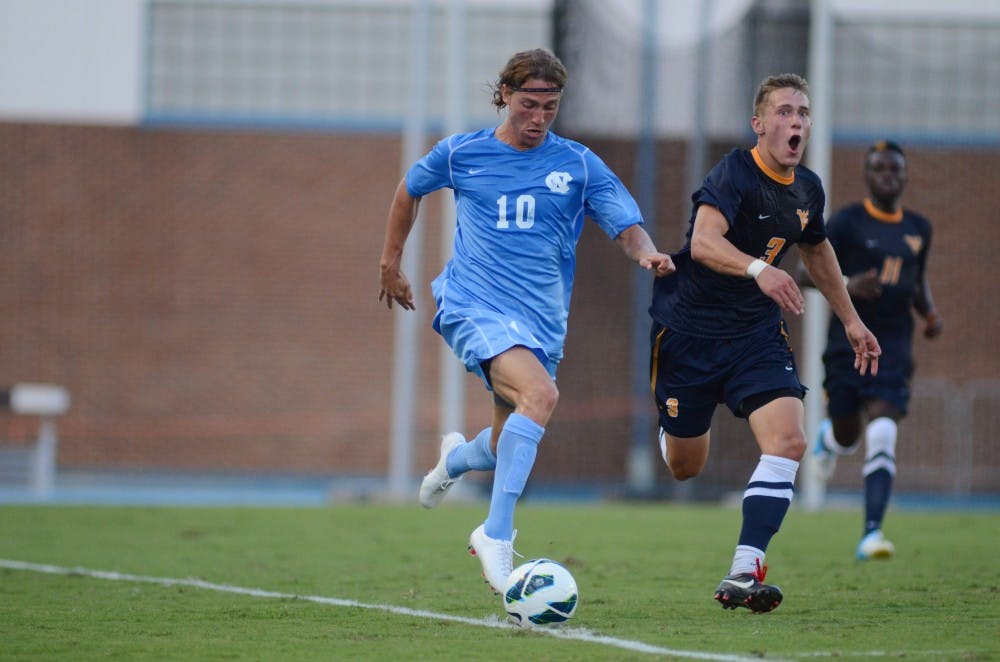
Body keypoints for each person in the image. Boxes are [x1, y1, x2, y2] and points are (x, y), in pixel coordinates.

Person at [378, 48, 674, 594]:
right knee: (540, 396)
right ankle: (496, 533)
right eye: (527, 105)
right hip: (471, 305)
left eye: (550, 107)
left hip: (540, 323)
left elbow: (625, 225)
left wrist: (648, 254)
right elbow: (408, 191)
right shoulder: (460, 153)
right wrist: (391, 263)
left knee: (501, 440)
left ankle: (456, 458)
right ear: (504, 97)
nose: (537, 118)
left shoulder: (578, 164)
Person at [647, 73, 881, 613]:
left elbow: (817, 251)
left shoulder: (808, 189)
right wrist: (759, 270)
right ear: (759, 124)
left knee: (790, 441)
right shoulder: (734, 172)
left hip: (754, 335)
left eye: (802, 112)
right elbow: (703, 242)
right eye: (782, 112)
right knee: (686, 466)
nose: (794, 122)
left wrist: (850, 318)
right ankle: (671, 424)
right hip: (690, 334)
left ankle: (744, 569)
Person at [799, 140, 942, 561]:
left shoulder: (919, 228)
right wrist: (846, 283)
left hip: (894, 346)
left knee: (883, 431)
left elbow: (916, 280)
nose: (887, 175)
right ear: (868, 175)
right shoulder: (846, 223)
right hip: (847, 344)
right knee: (848, 432)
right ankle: (828, 438)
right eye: (879, 169)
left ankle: (872, 534)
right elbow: (804, 273)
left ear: (904, 175)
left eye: (894, 169)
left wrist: (929, 313)